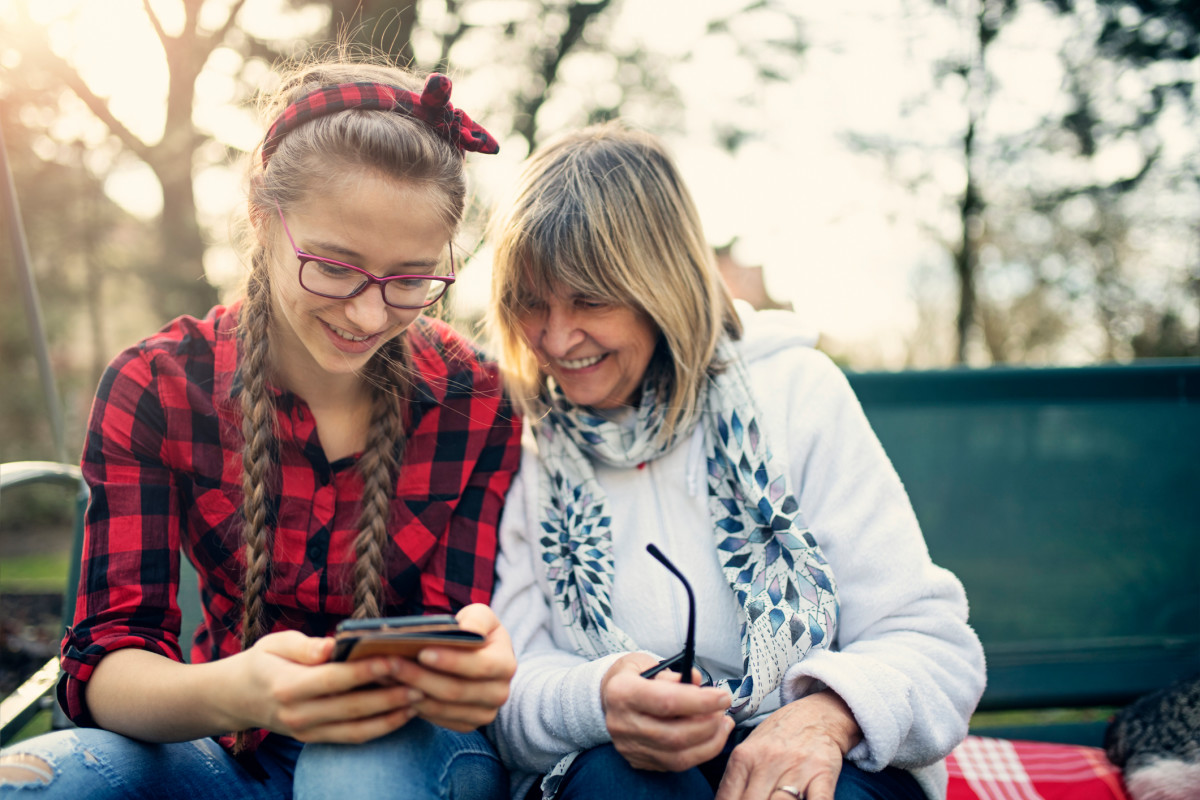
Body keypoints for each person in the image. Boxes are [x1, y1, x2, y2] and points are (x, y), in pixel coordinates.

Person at [0, 55, 521, 799]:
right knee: (39, 783)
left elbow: (469, 628)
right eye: (334, 267)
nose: (369, 315)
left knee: (356, 776)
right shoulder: (156, 386)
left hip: (411, 753)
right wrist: (239, 692)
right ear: (261, 217)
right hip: (222, 746)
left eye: (410, 281)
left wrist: (476, 674)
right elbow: (102, 665)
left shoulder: (477, 402)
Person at [484, 122, 987, 800]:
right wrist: (602, 698)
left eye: (589, 300)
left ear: (661, 285)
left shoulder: (795, 392)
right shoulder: (525, 442)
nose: (555, 337)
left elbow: (933, 647)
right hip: (625, 772)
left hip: (817, 758)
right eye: (529, 303)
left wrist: (825, 715)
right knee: (611, 783)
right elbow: (509, 690)